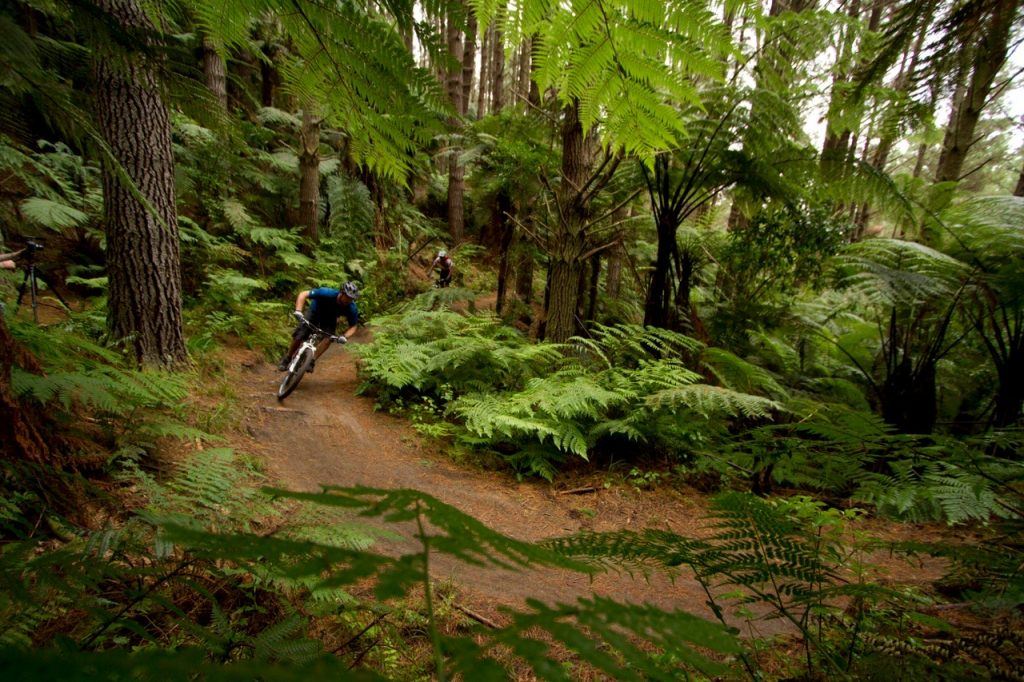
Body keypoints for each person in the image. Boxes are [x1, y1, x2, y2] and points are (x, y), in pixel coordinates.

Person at [277, 281, 361, 372]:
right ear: (341, 293)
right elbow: (303, 294)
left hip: (329, 319)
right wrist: (298, 311)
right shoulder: (326, 293)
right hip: (314, 312)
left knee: (328, 338)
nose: (348, 300)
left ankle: (311, 361)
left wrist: (344, 337)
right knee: (300, 334)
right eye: (347, 297)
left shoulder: (351, 308)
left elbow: (353, 326)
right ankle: (287, 358)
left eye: (351, 299)